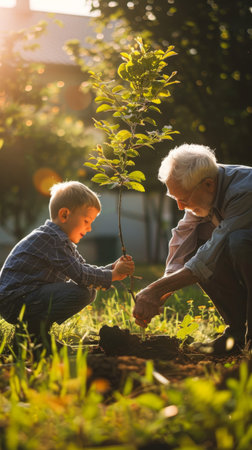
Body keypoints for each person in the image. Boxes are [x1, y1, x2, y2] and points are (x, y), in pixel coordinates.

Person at [133, 144, 252, 355]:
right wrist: (165, 285)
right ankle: (236, 333)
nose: (180, 207)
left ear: (208, 184)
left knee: (237, 242)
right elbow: (183, 235)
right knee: (199, 243)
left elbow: (212, 253)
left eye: (184, 200)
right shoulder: (207, 186)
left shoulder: (244, 191)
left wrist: (156, 289)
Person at [0, 181, 134, 355]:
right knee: (83, 292)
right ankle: (30, 336)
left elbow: (83, 268)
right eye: (86, 220)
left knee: (88, 289)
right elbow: (80, 274)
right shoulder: (51, 239)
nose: (89, 228)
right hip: (16, 300)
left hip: (26, 297)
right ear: (64, 215)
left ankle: (34, 335)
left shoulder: (60, 241)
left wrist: (111, 269)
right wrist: (112, 275)